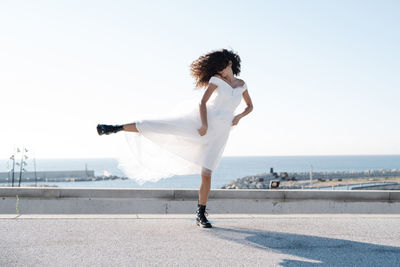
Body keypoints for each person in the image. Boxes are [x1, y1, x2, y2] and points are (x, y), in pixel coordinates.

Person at [97, 48, 254, 228]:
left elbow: (250, 106)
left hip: (221, 133)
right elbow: (202, 102)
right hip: (200, 123)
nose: (220, 72)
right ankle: (116, 127)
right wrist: (204, 124)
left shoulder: (242, 84)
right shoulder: (216, 80)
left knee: (207, 174)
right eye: (217, 69)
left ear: (230, 63)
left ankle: (200, 214)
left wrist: (238, 117)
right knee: (164, 126)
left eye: (222, 68)